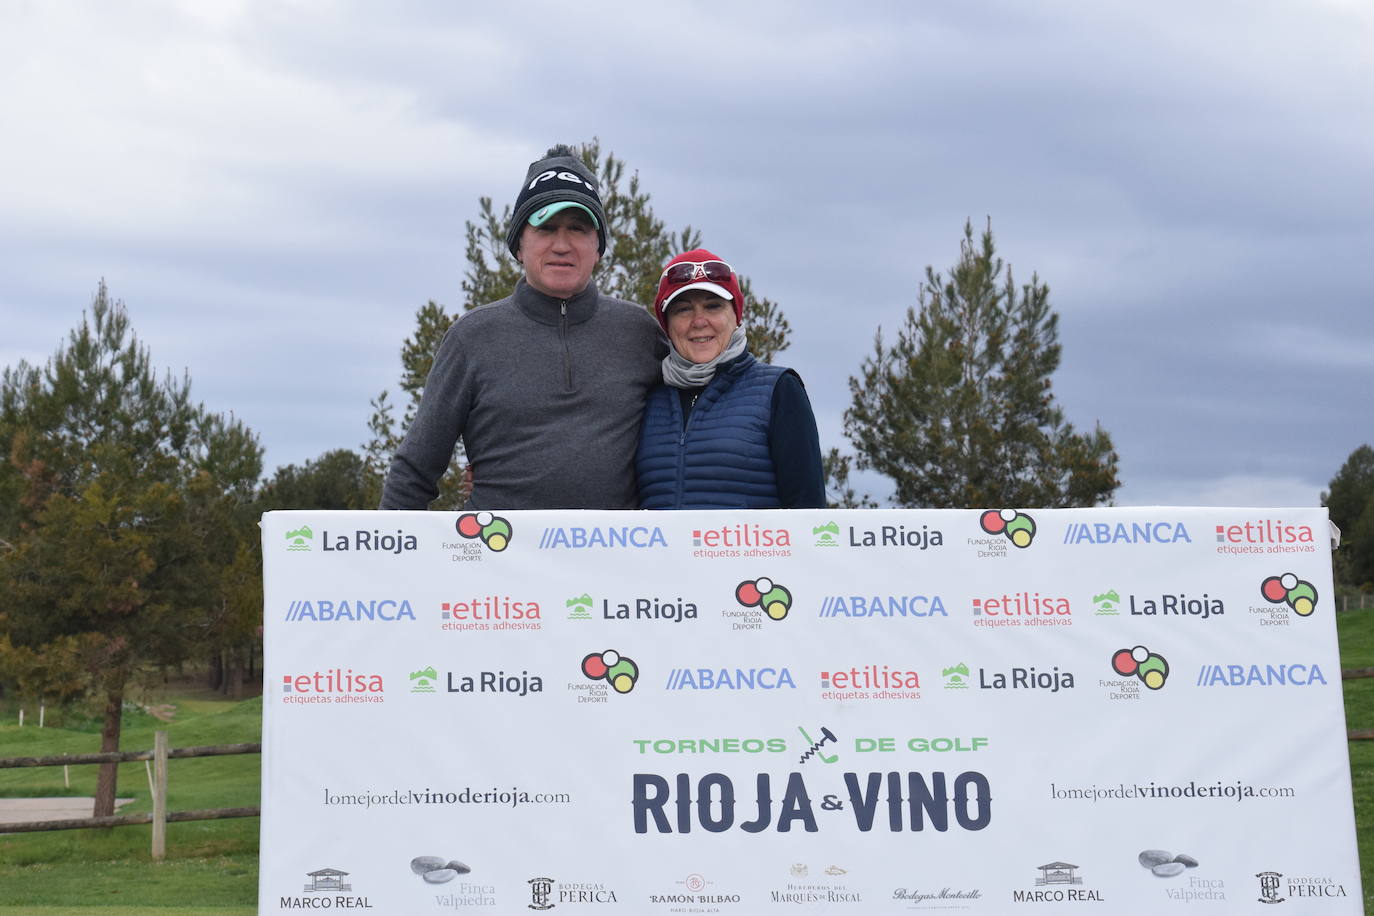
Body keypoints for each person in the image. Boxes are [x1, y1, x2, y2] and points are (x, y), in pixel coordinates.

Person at [380, 145, 666, 510]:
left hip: (616, 559)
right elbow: (414, 472)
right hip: (494, 558)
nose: (562, 245)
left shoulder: (640, 332)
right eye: (545, 228)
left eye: (578, 229)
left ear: (599, 247)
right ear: (519, 245)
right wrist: (389, 562)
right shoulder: (472, 337)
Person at [635, 248, 825, 509]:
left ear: (736, 316)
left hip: (755, 551)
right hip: (660, 552)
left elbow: (809, 511)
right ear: (666, 323)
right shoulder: (645, 396)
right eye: (683, 309)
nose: (699, 321)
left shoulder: (778, 389)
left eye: (713, 306)